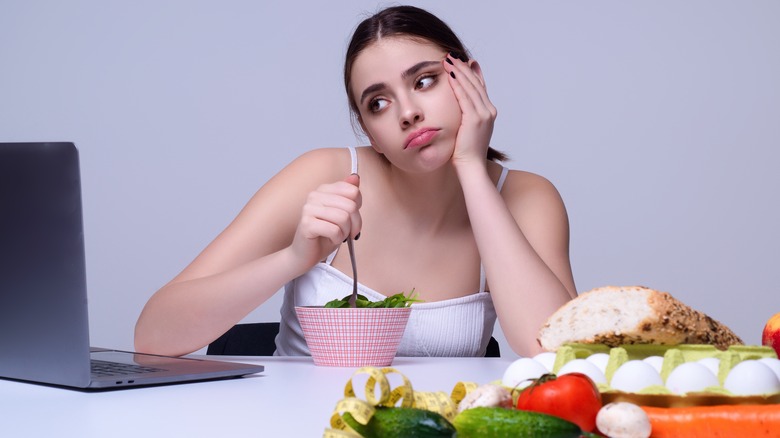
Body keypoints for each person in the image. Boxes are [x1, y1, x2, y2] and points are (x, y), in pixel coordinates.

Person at [134, 5, 577, 358]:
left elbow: (558, 353)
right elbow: (154, 335)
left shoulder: (528, 198)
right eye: (378, 103)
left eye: (424, 81)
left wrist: (471, 167)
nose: (407, 112)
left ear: (471, 79)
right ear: (370, 133)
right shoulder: (321, 174)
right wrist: (293, 258)